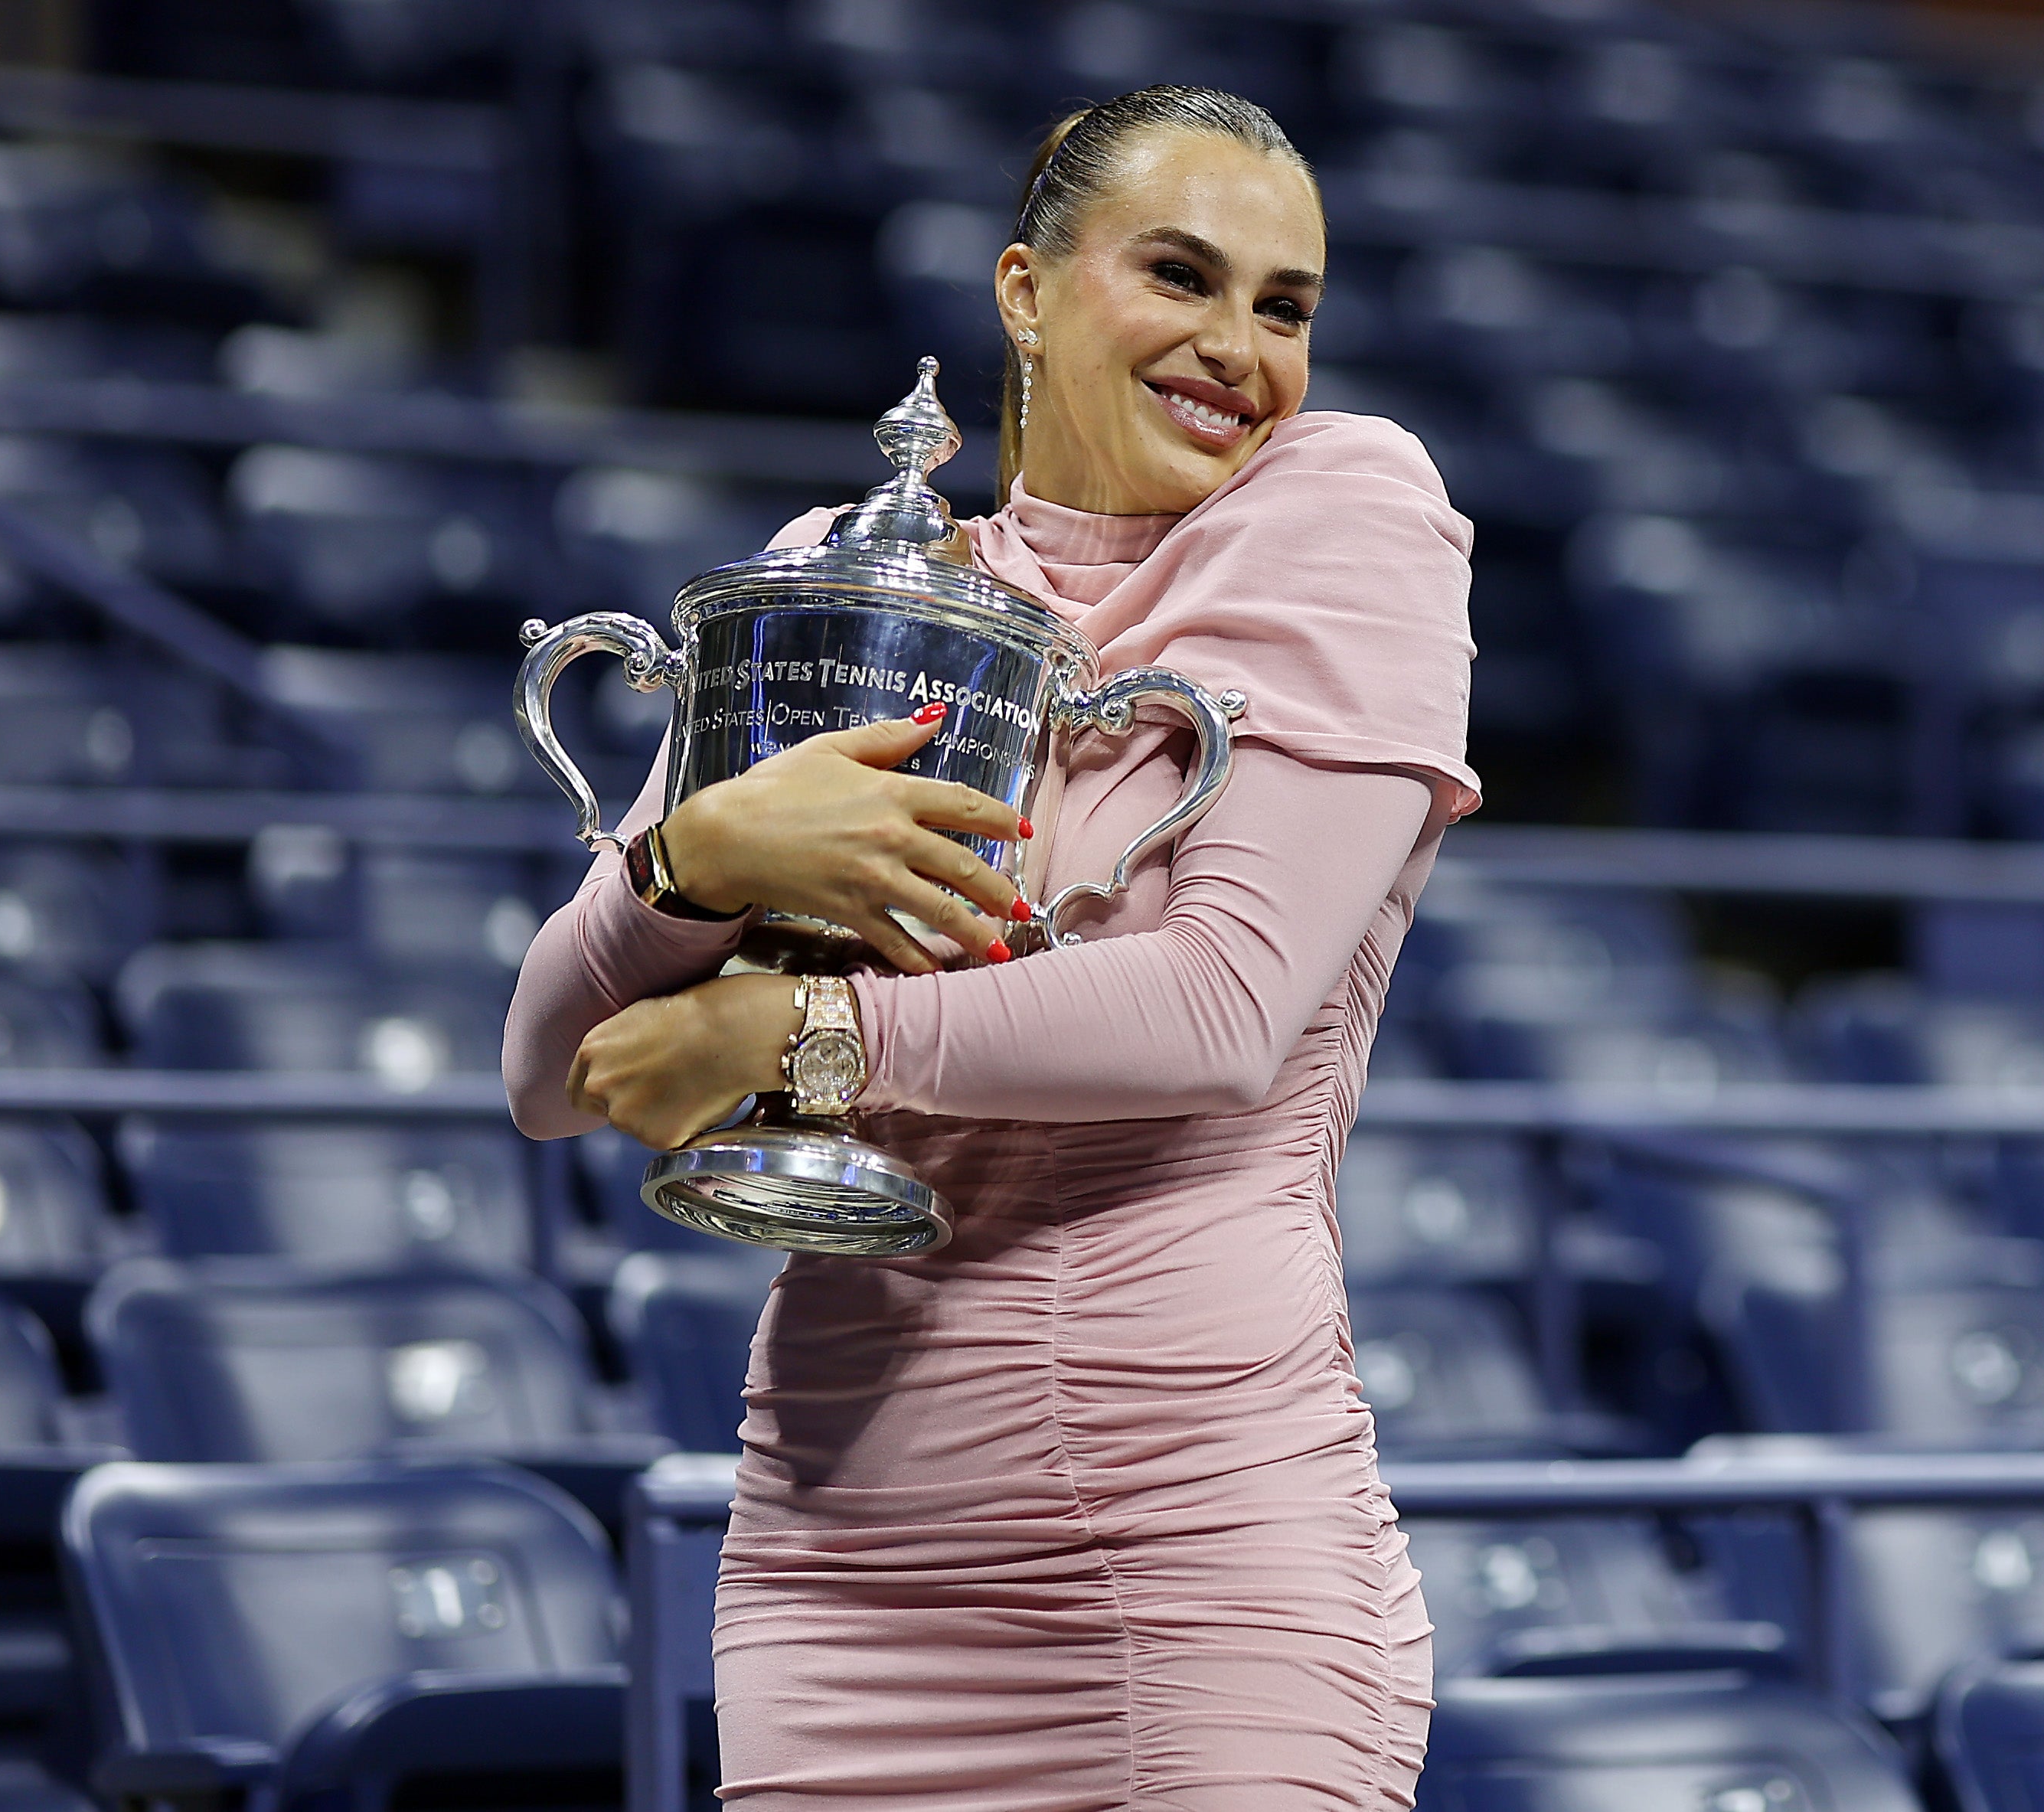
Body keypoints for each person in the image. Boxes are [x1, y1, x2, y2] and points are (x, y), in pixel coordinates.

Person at [503, 85, 1479, 1810]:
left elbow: (1221, 1008)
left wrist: (787, 1036)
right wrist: (693, 854)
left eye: (1282, 306)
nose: (1235, 348)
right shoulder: (845, 583)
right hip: (840, 1558)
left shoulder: (1346, 516)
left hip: (1203, 1554)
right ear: (1023, 290)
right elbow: (545, 1076)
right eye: (1176, 275)